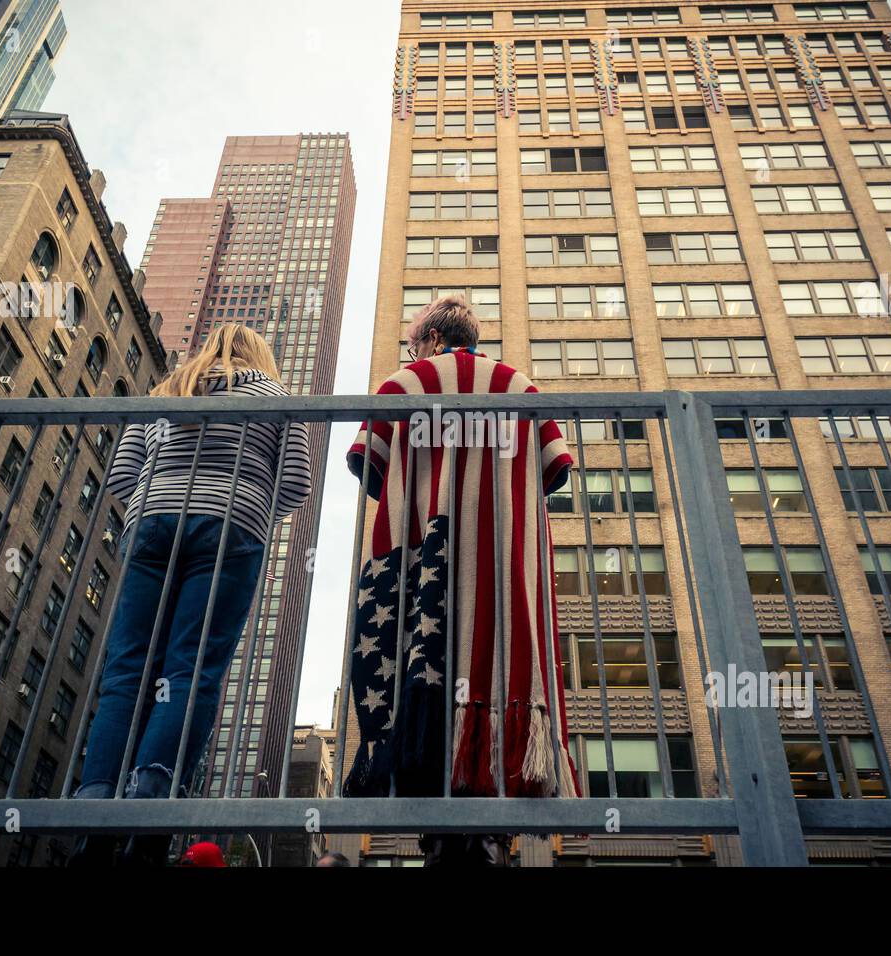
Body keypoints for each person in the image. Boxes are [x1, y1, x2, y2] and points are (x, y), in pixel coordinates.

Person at [343, 294, 579, 866]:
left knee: (416, 680)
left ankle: (443, 836)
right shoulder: (520, 388)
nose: (411, 351)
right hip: (501, 566)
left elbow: (369, 470)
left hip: (421, 558)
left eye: (411, 343)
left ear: (426, 340)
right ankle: (489, 838)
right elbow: (554, 473)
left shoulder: (402, 385)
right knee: (495, 674)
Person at [69, 325, 312, 866]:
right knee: (191, 668)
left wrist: (159, 497)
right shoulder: (275, 395)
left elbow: (119, 476)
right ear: (261, 356)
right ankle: (152, 790)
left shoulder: (168, 388)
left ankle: (95, 796)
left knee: (126, 667)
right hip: (230, 526)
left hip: (152, 523)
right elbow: (295, 484)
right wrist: (247, 504)